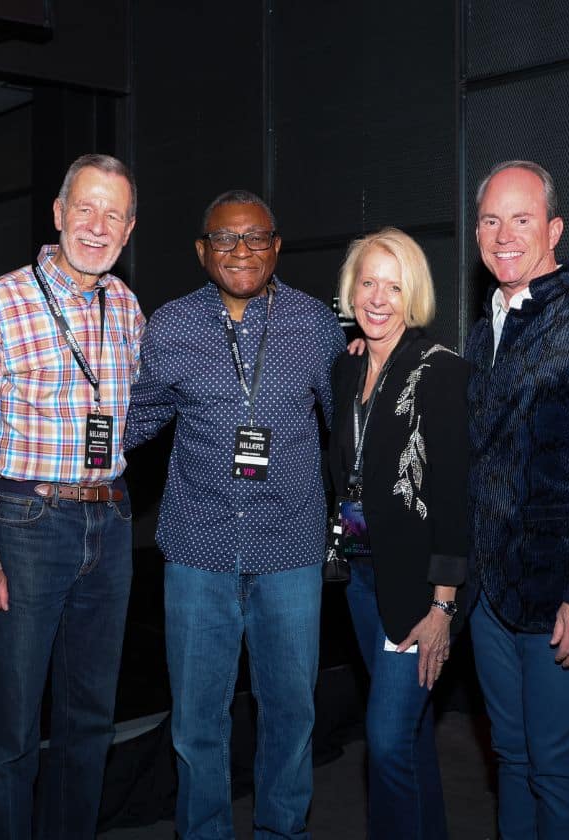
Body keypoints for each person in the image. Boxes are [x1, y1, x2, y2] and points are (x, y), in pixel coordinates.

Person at [124, 190, 346, 839]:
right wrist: (58, 445)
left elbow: (348, 433)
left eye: (255, 237)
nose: (241, 249)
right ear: (202, 252)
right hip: (199, 550)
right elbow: (133, 417)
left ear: (277, 247)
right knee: (197, 721)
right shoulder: (169, 326)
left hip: (292, 551)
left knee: (291, 715)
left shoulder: (314, 323)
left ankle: (282, 830)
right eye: (225, 239)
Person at [0, 153, 144, 839]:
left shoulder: (127, 305)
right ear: (57, 214)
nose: (96, 225)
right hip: (24, 526)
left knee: (89, 723)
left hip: (109, 523)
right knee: (12, 730)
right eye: (84, 208)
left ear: (129, 227)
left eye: (113, 214)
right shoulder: (4, 299)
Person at [467, 160, 569, 839]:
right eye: (492, 219)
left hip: (565, 593)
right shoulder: (484, 331)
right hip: (489, 597)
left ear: (554, 227)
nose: (505, 234)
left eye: (522, 218)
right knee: (511, 757)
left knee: (557, 765)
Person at [328, 228, 469, 839]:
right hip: (361, 578)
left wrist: (443, 606)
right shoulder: (347, 368)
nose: (379, 298)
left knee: (385, 744)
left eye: (395, 285)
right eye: (368, 283)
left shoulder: (442, 372)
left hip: (419, 591)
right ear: (351, 290)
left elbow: (455, 498)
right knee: (408, 744)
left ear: (414, 294)